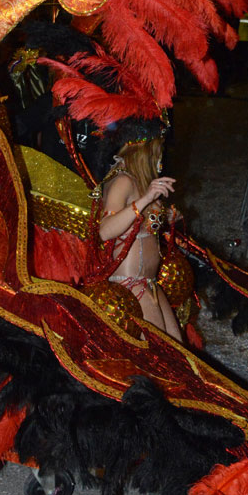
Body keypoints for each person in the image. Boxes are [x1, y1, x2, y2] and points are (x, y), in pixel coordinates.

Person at [98, 132, 182, 340]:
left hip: (148, 282)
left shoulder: (138, 180)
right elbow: (105, 230)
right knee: (158, 356)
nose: (161, 158)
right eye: (158, 151)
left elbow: (139, 228)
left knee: (177, 351)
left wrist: (166, 218)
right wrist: (145, 200)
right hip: (129, 284)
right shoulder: (123, 181)